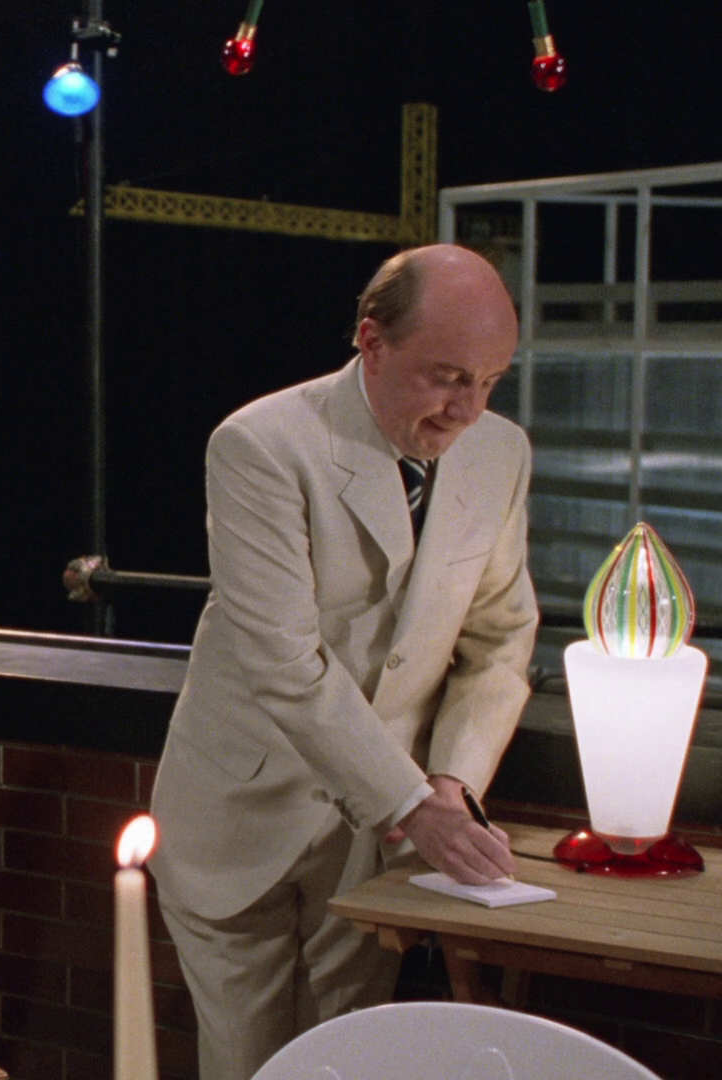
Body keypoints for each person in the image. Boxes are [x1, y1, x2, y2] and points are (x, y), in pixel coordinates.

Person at [144, 244, 540, 1080]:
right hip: (238, 819)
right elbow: (285, 661)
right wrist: (412, 804)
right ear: (372, 341)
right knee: (248, 1067)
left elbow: (501, 641)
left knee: (350, 1064)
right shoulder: (260, 445)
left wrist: (453, 786)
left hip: (375, 841)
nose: (468, 410)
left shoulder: (501, 453)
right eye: (447, 378)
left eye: (490, 382)